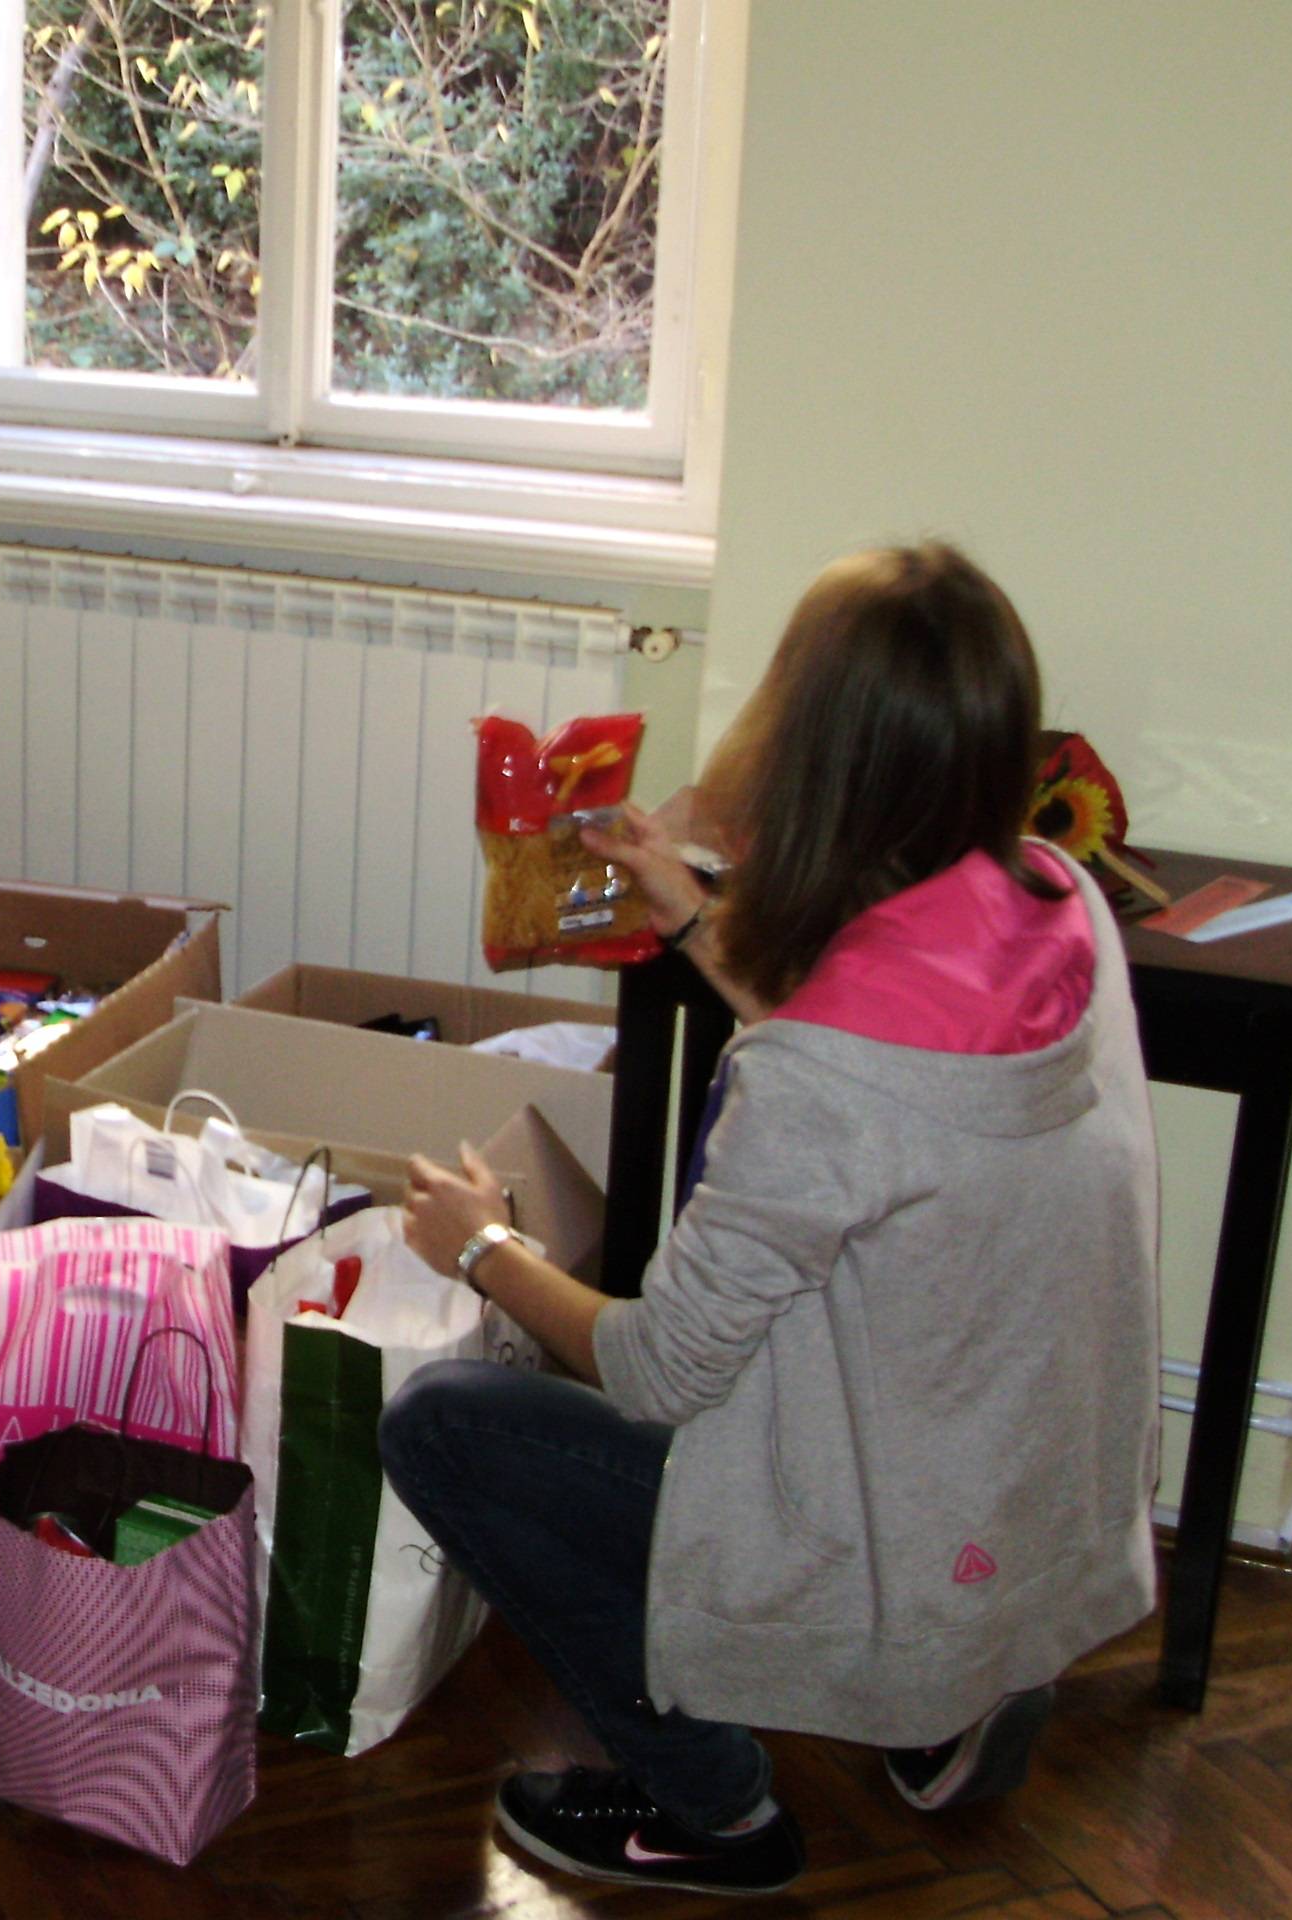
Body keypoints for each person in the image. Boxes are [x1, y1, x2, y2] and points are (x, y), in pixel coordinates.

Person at [379, 543, 1159, 1897]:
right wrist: (693, 920)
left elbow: (657, 1369)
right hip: (1020, 1496)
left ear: (816, 759)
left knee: (440, 1424)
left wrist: (485, 1247)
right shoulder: (1051, 898)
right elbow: (881, 1079)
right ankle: (951, 1692)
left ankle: (708, 1810)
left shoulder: (820, 1084)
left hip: (877, 1529)